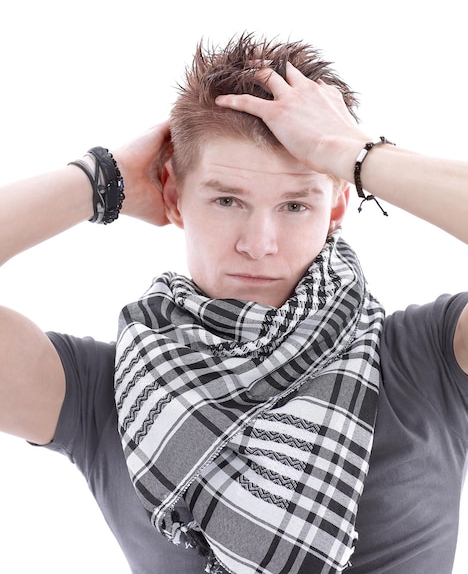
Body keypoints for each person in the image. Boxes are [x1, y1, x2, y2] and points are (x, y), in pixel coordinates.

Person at [1, 33, 467, 574]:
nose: (259, 243)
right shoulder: (105, 393)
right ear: (174, 196)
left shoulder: (424, 361)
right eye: (227, 200)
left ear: (338, 204)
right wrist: (100, 180)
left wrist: (358, 156)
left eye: (295, 204)